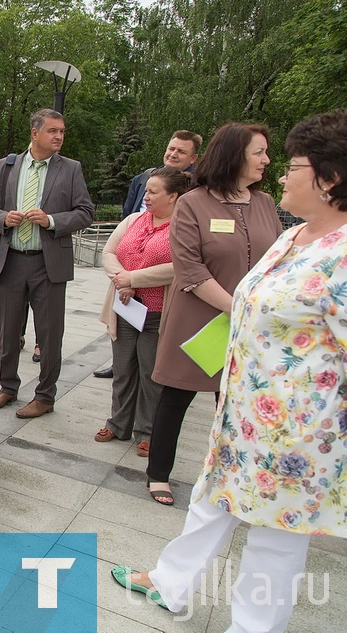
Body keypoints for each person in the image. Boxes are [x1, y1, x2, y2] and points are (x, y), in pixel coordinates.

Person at [113, 109, 347, 633]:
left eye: (295, 165)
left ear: (329, 179)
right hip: (244, 414)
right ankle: (172, 585)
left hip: (294, 437)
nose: (282, 171)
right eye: (271, 158)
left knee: (274, 543)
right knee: (212, 499)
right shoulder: (295, 238)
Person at [145, 123, 283, 505]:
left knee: (237, 403)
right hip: (200, 321)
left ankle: (231, 474)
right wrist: (238, 307)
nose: (266, 160)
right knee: (176, 397)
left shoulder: (266, 203)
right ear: (234, 155)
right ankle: (158, 474)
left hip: (250, 324)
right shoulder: (193, 202)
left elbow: (275, 261)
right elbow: (190, 268)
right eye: (259, 152)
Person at [0, 108, 94, 418]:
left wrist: (52, 220)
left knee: (49, 334)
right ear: (35, 134)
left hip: (49, 265)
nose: (58, 136)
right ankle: (7, 386)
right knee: (9, 331)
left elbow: (85, 212)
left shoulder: (70, 169)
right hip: (11, 261)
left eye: (61, 131)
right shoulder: (5, 167)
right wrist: (4, 217)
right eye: (52, 131)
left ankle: (45, 395)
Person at [94, 168, 189, 457]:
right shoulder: (134, 220)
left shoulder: (183, 227)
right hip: (125, 308)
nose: (145, 196)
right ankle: (118, 423)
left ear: (173, 196)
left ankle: (147, 431)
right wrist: (122, 279)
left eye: (153, 192)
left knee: (151, 374)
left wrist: (133, 280)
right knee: (123, 370)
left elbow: (179, 268)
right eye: (146, 191)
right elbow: (109, 253)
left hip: (157, 313)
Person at [121, 130, 202, 219]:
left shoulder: (199, 185)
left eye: (181, 152)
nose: (173, 154)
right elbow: (127, 216)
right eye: (171, 149)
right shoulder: (141, 179)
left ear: (193, 158)